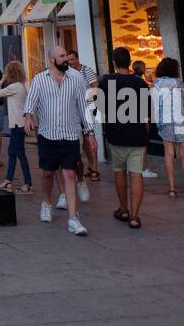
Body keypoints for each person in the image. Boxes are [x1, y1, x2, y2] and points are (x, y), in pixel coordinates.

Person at [24, 46, 95, 235]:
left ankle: (73, 218)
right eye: (62, 56)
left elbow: (82, 106)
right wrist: (28, 117)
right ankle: (46, 202)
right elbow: (30, 101)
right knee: (48, 174)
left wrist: (89, 133)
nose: (67, 59)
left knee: (69, 174)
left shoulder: (76, 78)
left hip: (71, 135)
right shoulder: (40, 80)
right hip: (48, 135)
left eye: (66, 56)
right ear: (53, 60)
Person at [100, 48, 149, 229]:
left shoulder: (107, 82)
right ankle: (135, 216)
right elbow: (146, 114)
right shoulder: (141, 83)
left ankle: (123, 208)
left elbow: (101, 108)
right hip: (137, 134)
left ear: (114, 62)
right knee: (136, 174)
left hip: (117, 134)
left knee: (119, 171)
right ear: (129, 62)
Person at [152, 57, 184, 200]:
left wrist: (159, 123)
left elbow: (155, 107)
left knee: (169, 154)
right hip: (182, 120)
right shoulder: (180, 84)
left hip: (166, 121)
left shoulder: (156, 85)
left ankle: (172, 189)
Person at [0, 60, 32, 193]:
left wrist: (1, 80)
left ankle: (28, 184)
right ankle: (8, 180)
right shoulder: (21, 85)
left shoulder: (14, 86)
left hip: (17, 125)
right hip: (18, 124)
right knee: (12, 152)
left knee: (19, 153)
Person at [66, 48, 101, 184]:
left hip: (86, 109)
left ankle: (95, 170)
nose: (70, 62)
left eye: (72, 59)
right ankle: (91, 167)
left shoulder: (86, 71)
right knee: (84, 141)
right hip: (73, 111)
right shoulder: (67, 73)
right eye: (68, 60)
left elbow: (96, 87)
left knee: (89, 138)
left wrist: (85, 100)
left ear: (77, 59)